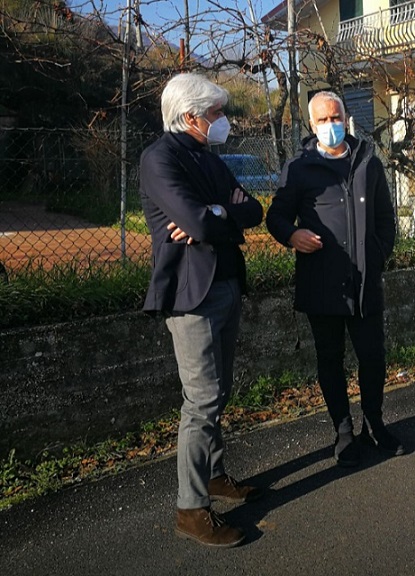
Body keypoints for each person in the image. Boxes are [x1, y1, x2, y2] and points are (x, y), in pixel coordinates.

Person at [139, 73, 265, 548]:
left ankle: (213, 476)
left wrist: (214, 214)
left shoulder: (206, 157)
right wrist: (213, 214)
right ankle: (191, 509)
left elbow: (251, 209)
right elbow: (193, 221)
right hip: (192, 294)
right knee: (202, 400)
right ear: (189, 116)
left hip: (227, 283)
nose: (222, 121)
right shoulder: (159, 159)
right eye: (214, 113)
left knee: (220, 390)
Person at [266, 91, 402, 468]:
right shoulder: (299, 167)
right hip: (322, 284)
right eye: (323, 120)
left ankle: (374, 424)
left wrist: (376, 256)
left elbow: (385, 220)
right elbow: (276, 217)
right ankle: (343, 431)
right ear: (312, 126)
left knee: (373, 358)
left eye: (336, 117)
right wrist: (292, 236)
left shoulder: (367, 163)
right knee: (330, 359)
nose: (331, 126)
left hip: (364, 284)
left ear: (346, 118)